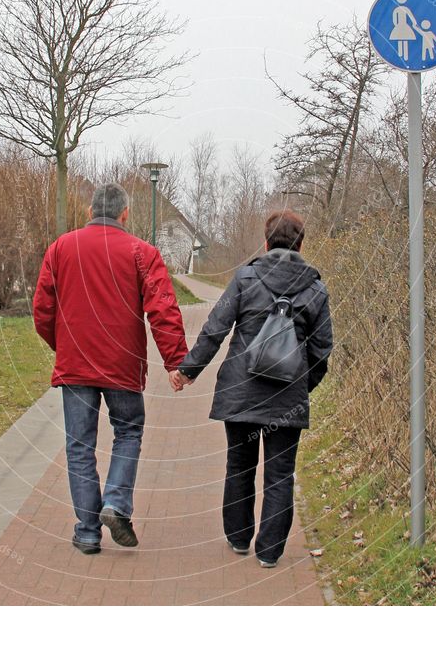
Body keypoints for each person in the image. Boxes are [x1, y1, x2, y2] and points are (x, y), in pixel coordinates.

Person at [33, 182, 188, 555]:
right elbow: (162, 309)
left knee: (79, 446)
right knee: (129, 432)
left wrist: (65, 346)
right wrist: (176, 362)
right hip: (123, 366)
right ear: (125, 214)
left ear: (90, 212)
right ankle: (116, 503)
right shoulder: (142, 253)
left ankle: (87, 532)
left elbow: (42, 310)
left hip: (75, 368)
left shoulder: (61, 249)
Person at [172, 210, 333, 568]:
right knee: (279, 473)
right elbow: (322, 350)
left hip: (240, 392)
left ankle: (239, 537)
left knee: (240, 465)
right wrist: (302, 387)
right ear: (301, 245)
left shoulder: (245, 278)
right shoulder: (316, 289)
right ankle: (270, 552)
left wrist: (188, 371)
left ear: (265, 243)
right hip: (286, 400)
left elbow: (216, 328)